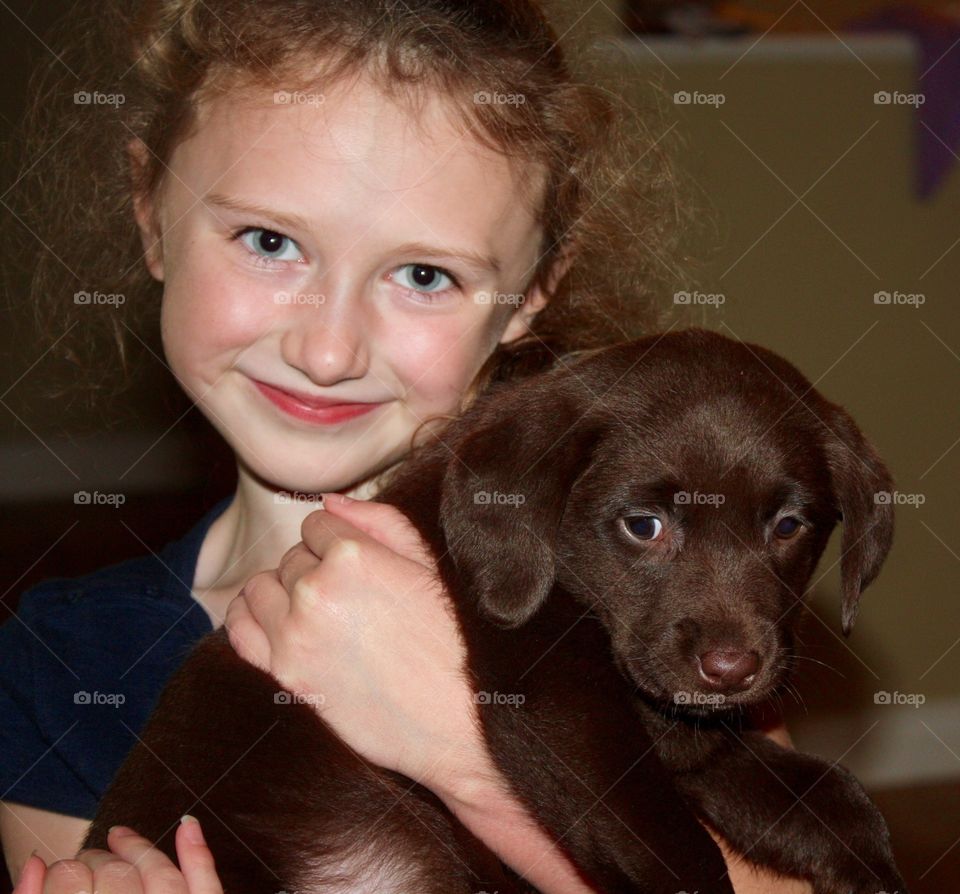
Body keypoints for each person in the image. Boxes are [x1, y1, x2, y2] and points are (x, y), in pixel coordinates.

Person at [1, 1, 810, 891]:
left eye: (424, 275)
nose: (329, 349)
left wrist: (464, 748)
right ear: (152, 210)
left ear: (534, 289)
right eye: (269, 242)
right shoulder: (67, 663)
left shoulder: (645, 592)